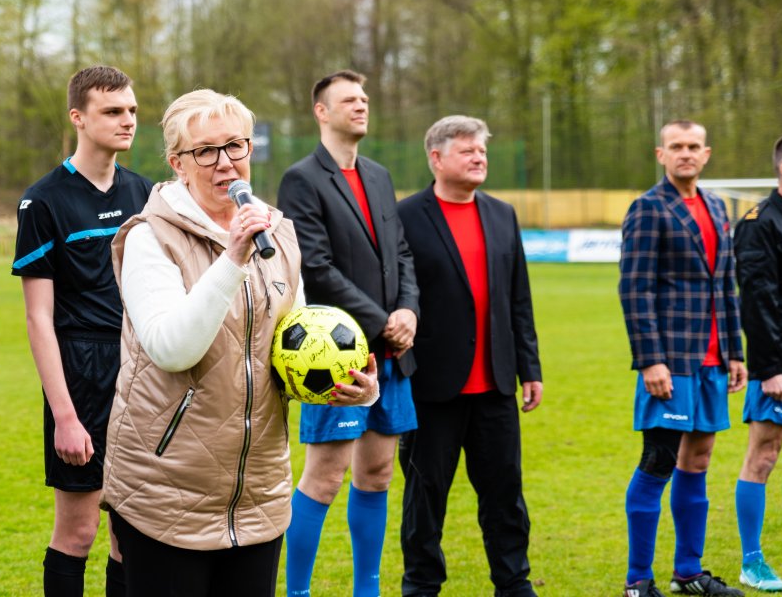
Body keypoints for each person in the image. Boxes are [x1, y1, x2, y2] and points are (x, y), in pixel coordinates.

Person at [104, 88, 375, 596]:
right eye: (205, 151)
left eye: (235, 145)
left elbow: (290, 353)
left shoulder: (278, 234)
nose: (225, 162)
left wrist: (352, 387)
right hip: (167, 490)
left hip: (258, 493)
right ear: (178, 164)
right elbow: (171, 350)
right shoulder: (149, 237)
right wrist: (232, 260)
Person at [277, 69, 420, 597]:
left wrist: (408, 312)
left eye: (364, 98)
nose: (361, 105)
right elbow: (315, 267)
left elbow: (401, 253)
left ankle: (367, 591)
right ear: (322, 111)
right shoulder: (302, 179)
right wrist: (382, 320)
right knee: (324, 477)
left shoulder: (379, 175)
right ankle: (297, 592)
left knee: (378, 474)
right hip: (335, 356)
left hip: (392, 354)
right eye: (349, 100)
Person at [12, 66, 151, 597]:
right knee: (79, 530)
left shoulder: (146, 192)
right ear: (78, 117)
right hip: (81, 370)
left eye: (131, 110)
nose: (127, 120)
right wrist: (66, 417)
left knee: (131, 533)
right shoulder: (43, 200)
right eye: (112, 111)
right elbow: (37, 318)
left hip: (141, 367)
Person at [396, 115, 542, 597]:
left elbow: (518, 299)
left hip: (496, 385)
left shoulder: (502, 214)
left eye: (482, 150)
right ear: (436, 158)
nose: (479, 158)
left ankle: (514, 583)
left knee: (505, 495)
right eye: (468, 151)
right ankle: (421, 586)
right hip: (431, 386)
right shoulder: (406, 216)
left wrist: (530, 368)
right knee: (425, 498)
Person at [618, 119, 746, 597]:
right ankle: (637, 581)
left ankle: (688, 572)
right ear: (661, 154)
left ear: (706, 154)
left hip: (712, 360)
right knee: (659, 460)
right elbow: (634, 289)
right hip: (671, 361)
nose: (686, 153)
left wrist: (735, 352)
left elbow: (726, 285)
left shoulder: (716, 207)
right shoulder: (648, 208)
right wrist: (651, 360)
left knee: (699, 460)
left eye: (694, 146)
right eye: (677, 146)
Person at [732, 134, 782, 592]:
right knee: (765, 454)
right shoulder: (759, 223)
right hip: (779, 362)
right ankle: (751, 561)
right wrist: (769, 369)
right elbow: (756, 301)